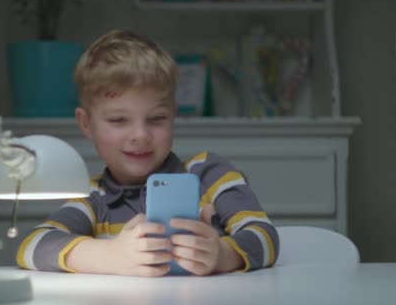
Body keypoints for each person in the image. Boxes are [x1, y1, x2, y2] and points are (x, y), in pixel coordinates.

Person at [16, 30, 279, 276]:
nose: (140, 135)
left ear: (173, 115)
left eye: (156, 118)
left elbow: (264, 236)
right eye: (118, 120)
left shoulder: (209, 172)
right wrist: (110, 256)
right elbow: (31, 247)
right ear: (86, 124)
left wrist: (223, 254)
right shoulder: (93, 197)